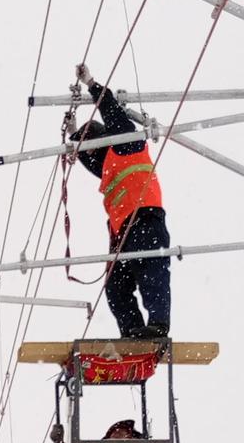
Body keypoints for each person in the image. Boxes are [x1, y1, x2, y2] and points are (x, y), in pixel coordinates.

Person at [70, 79, 171, 342]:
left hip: (146, 220)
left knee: (152, 272)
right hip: (124, 232)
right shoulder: (106, 165)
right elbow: (87, 158)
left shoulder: (127, 143)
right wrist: (72, 135)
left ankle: (158, 325)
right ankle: (132, 333)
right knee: (116, 288)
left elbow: (111, 111)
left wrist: (92, 85)